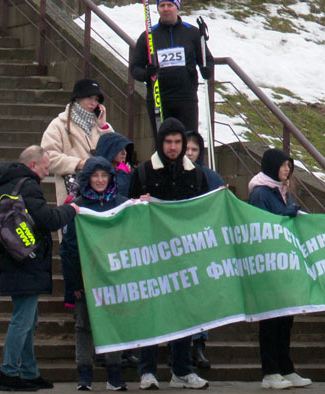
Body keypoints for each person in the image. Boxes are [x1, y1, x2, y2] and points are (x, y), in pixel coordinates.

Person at [0, 146, 79, 391]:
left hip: (10, 261)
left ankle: (28, 372)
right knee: (22, 320)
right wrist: (70, 209)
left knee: (28, 318)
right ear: (33, 165)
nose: (47, 172)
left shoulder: (3, 186)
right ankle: (8, 373)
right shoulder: (28, 185)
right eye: (46, 167)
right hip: (26, 263)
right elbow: (48, 220)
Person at [128, 117, 209, 390]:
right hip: (150, 254)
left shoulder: (196, 174)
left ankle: (182, 370)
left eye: (177, 142)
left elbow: (204, 213)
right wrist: (138, 204)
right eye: (168, 142)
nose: (173, 147)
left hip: (183, 254)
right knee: (152, 313)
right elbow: (127, 211)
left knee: (182, 314)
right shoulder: (142, 173)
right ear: (160, 143)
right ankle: (147, 371)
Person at [59, 157, 129, 391]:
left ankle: (114, 374)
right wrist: (75, 283)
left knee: (115, 323)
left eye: (104, 175)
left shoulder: (122, 204)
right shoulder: (76, 205)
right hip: (86, 278)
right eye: (95, 175)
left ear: (110, 177)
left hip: (114, 277)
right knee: (83, 326)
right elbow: (68, 248)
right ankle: (85, 375)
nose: (100, 180)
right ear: (87, 178)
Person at [247, 148, 312, 390]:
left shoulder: (283, 191)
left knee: (286, 320)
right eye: (283, 166)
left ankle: (286, 367)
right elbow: (264, 224)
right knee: (271, 321)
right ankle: (270, 371)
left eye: (289, 166)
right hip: (268, 265)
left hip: (284, 263)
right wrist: (288, 213)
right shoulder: (261, 193)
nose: (287, 170)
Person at [130, 0, 214, 139]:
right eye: (162, 6)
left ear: (177, 8)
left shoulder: (191, 32)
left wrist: (207, 70)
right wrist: (146, 74)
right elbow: (135, 68)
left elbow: (207, 59)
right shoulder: (148, 36)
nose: (166, 9)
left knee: (188, 140)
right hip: (159, 98)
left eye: (170, 5)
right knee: (163, 142)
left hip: (186, 97)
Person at [182, 130, 223, 370]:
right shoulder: (173, 175)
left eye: (194, 150)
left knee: (201, 297)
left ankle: (199, 344)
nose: (189, 153)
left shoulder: (211, 177)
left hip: (202, 242)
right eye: (186, 149)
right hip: (178, 244)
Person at [41, 78, 113, 207]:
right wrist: (78, 164)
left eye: (96, 99)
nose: (93, 103)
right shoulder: (59, 124)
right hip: (73, 195)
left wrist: (103, 127)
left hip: (102, 193)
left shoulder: (101, 125)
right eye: (89, 98)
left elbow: (116, 152)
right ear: (78, 98)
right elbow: (47, 157)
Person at [96, 132, 135, 198]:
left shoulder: (130, 172)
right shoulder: (92, 173)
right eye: (120, 149)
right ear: (108, 150)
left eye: (125, 148)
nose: (124, 153)